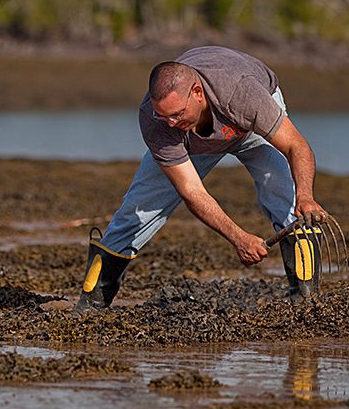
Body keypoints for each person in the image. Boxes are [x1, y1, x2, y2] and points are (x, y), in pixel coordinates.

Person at [75, 46, 331, 314]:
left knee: (284, 198)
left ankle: (305, 303)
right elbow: (190, 189)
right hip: (193, 142)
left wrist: (306, 197)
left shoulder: (242, 94)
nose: (171, 123)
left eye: (177, 113)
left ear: (197, 93)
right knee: (137, 210)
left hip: (248, 126)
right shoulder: (157, 121)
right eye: (164, 116)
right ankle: (91, 304)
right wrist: (238, 238)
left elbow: (295, 146)